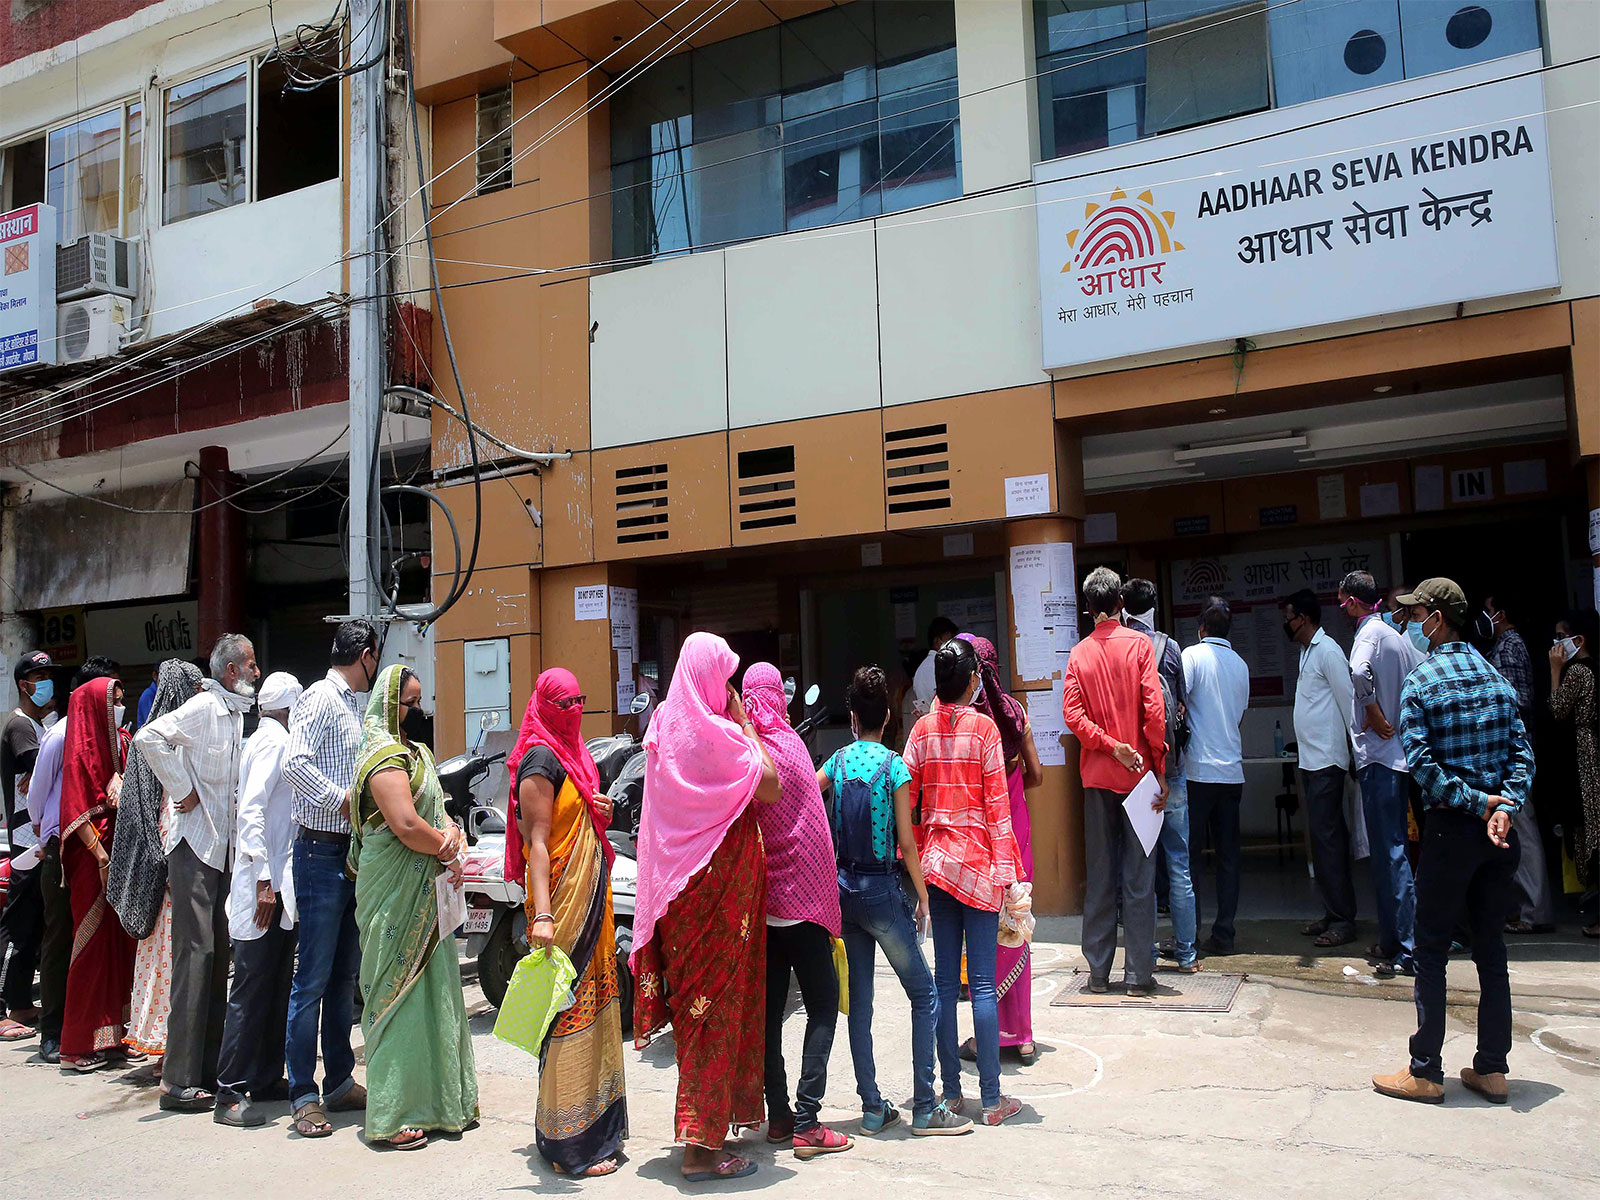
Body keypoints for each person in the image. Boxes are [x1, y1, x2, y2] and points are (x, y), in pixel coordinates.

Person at [1373, 579, 1533, 1104]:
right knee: (1491, 946)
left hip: (1450, 828)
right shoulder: (1496, 680)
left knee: (1432, 947)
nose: (1410, 621)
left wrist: (1475, 803)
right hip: (1497, 834)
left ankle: (1426, 1069)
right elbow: (1523, 760)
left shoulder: (1423, 683)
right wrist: (1502, 805)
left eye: (1415, 612)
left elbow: (1420, 765)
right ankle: (1492, 1068)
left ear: (1437, 619)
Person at [630, 632, 780, 1182]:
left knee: (698, 1018)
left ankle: (701, 1130)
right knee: (716, 1017)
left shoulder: (665, 727)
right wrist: (744, 723)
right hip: (715, 903)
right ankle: (701, 1151)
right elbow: (770, 785)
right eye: (726, 678)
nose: (731, 688)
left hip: (679, 901)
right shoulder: (721, 736)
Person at [817, 667, 970, 1138]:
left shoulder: (837, 763)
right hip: (884, 893)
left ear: (850, 716)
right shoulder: (894, 766)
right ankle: (925, 1108)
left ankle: (871, 1108)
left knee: (860, 1004)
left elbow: (804, 789)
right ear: (887, 716)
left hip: (845, 893)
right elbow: (907, 844)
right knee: (923, 993)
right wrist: (923, 897)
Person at [348, 665, 478, 1149]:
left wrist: (455, 838)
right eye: (409, 703)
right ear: (388, 705)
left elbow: (437, 812)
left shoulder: (416, 754)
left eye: (421, 702)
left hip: (429, 893)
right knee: (395, 995)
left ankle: (445, 1104)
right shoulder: (381, 759)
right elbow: (404, 823)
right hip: (393, 894)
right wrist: (444, 849)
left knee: (435, 992)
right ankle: (394, 1110)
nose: (417, 712)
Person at [507, 668, 628, 1176]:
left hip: (593, 904)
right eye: (566, 702)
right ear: (545, 705)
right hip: (563, 906)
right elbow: (537, 841)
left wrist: (601, 809)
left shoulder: (573, 755)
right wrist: (543, 916)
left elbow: (576, 815)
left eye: (581, 698)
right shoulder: (540, 757)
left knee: (598, 1007)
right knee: (567, 1014)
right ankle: (565, 1144)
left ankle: (597, 1128)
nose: (576, 709)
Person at [133, 634, 260, 1112]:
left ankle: (208, 1069)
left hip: (221, 851)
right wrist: (182, 788)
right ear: (230, 671)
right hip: (193, 846)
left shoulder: (234, 713)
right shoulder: (206, 707)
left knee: (215, 954)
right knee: (196, 954)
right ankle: (177, 1080)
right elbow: (149, 737)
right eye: (249, 665)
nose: (255, 672)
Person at [906, 635, 1023, 1126]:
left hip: (935, 868)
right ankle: (993, 1102)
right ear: (974, 681)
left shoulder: (921, 731)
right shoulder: (985, 732)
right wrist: (1009, 879)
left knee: (940, 987)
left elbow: (906, 799)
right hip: (978, 871)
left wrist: (911, 870)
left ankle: (951, 1095)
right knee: (980, 987)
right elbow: (999, 811)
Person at [742, 662, 850, 1160]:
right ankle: (808, 1119)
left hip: (764, 906)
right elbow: (812, 832)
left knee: (769, 1015)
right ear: (779, 698)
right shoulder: (790, 747)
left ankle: (780, 1114)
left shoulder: (745, 752)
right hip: (803, 903)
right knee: (823, 1005)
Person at [282, 619, 379, 1138]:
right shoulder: (320, 698)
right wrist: (340, 799)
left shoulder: (356, 706)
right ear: (364, 655)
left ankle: (339, 1081)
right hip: (320, 852)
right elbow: (293, 764)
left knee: (344, 976)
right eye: (375, 659)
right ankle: (303, 1091)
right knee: (313, 978)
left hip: (350, 852)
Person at [1062, 567, 1167, 993]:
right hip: (1140, 779)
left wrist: (1106, 745)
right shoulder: (1140, 645)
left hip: (1097, 779)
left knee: (1101, 875)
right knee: (1139, 879)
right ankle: (1139, 975)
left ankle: (1099, 974)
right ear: (1120, 605)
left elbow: (1072, 717)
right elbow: (1155, 713)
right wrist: (1157, 766)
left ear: (1089, 609)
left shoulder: (1078, 654)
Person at [215, 671, 303, 1127]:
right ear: (289, 707)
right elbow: (250, 810)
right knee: (250, 989)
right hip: (262, 888)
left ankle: (267, 1076)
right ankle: (229, 1090)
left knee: (274, 985)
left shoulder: (268, 737)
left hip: (276, 886)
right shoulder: (273, 743)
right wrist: (264, 882)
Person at [24, 657, 119, 1064]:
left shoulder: (112, 738)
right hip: (61, 854)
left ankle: (96, 1030)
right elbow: (38, 795)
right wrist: (48, 834)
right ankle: (53, 1031)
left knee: (98, 943)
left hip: (96, 854)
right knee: (61, 941)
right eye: (110, 697)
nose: (116, 705)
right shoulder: (61, 737)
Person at [111, 659, 205, 1065]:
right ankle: (166, 1046)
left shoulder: (173, 739)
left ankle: (166, 1046)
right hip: (165, 875)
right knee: (168, 961)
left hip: (164, 873)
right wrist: (164, 864)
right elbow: (152, 814)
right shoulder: (160, 744)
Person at [953, 634, 1045, 1055]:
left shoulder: (967, 723)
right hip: (1016, 823)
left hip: (981, 828)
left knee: (983, 924)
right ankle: (1023, 1037)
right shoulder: (1014, 713)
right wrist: (1012, 789)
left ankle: (991, 1034)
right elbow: (1037, 774)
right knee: (1017, 918)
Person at [1340, 571, 1419, 977]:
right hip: (1396, 757)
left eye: (1343, 604)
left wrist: (1372, 711)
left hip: (1381, 758)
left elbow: (1357, 672)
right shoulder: (1398, 638)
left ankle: (1405, 949)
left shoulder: (1369, 635)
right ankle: (1392, 940)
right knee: (1390, 854)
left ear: (1353, 602)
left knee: (1390, 854)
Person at [58, 675, 139, 1072]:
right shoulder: (78, 754)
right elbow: (75, 812)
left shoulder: (121, 746)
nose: (118, 710)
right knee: (90, 951)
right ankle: (76, 1045)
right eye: (113, 703)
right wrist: (102, 858)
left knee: (118, 949)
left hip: (117, 858)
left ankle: (111, 1037)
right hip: (93, 863)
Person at [1120, 583, 1199, 973]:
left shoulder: (1121, 648)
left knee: (1141, 865)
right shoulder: (1170, 648)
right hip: (1174, 767)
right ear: (1154, 607)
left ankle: (1144, 954)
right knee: (1179, 862)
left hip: (1137, 770)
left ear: (1123, 608)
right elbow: (1181, 704)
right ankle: (1186, 954)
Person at [1285, 588, 1358, 950]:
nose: (1287, 623)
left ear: (1306, 618)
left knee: (1330, 842)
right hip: (1312, 761)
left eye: (1291, 616)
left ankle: (1344, 919)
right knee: (1322, 840)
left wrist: (1356, 751)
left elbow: (1348, 701)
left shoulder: (1328, 651)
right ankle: (1332, 912)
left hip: (1328, 761)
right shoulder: (1307, 652)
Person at [1180, 598, 1250, 958]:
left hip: (1198, 771)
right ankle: (1225, 933)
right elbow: (1238, 716)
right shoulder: (1241, 665)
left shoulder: (1191, 657)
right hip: (1231, 772)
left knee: (1190, 857)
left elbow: (1179, 706)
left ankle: (1189, 934)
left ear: (1202, 627)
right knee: (1228, 857)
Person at [1482, 596, 1555, 934]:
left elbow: (1515, 701)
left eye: (1489, 610)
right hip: (1512, 752)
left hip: (1512, 755)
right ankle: (1522, 909)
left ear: (1502, 614)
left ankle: (1534, 912)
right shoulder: (1506, 646)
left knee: (1522, 829)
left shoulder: (1509, 647)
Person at [0, 650, 52, 1042]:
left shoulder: (35, 725)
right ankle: (5, 1009)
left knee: (33, 925)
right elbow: (39, 763)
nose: (47, 683)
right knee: (16, 927)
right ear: (24, 684)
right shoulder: (20, 726)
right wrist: (39, 768)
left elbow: (40, 767)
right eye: (40, 677)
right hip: (24, 840)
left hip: (36, 838)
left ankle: (20, 1003)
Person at [1548, 609, 1598, 938]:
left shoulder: (1578, 671)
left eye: (1560, 636)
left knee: (1589, 832)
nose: (1555, 645)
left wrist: (1555, 670)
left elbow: (1557, 709)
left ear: (1577, 640)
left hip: (1585, 757)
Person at [906, 617, 960, 733]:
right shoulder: (941, 666)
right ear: (937, 641)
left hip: (929, 728)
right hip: (944, 728)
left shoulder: (921, 670)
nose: (954, 645)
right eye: (950, 639)